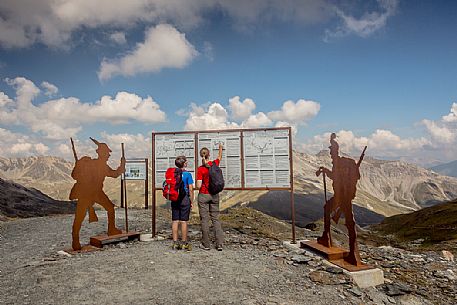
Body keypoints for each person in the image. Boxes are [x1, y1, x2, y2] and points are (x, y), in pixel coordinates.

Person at [315, 133, 365, 265]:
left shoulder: (345, 162)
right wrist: (325, 171)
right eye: (330, 152)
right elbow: (335, 177)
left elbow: (355, 177)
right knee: (327, 209)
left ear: (336, 150)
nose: (331, 154)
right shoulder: (337, 164)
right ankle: (326, 237)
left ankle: (353, 253)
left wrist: (349, 190)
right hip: (338, 195)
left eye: (332, 151)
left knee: (350, 222)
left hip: (344, 196)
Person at [69, 137, 125, 251]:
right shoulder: (99, 165)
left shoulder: (93, 164)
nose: (109, 156)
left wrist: (78, 166)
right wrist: (122, 166)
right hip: (91, 193)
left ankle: (76, 239)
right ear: (102, 153)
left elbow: (74, 176)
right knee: (107, 209)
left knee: (82, 216)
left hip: (91, 193)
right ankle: (110, 229)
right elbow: (115, 174)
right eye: (107, 153)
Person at [196, 144, 224, 250]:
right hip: (215, 195)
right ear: (209, 155)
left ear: (201, 156)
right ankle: (219, 244)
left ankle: (206, 244)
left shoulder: (201, 169)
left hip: (204, 195)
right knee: (215, 219)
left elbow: (198, 185)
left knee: (204, 220)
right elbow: (219, 157)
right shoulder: (215, 164)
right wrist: (220, 148)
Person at [170, 155, 194, 251]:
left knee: (175, 220)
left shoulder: (173, 173)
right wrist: (191, 201)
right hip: (184, 199)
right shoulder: (187, 174)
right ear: (183, 164)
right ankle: (184, 243)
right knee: (184, 221)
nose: (187, 163)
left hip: (175, 198)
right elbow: (191, 189)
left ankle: (175, 243)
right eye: (186, 162)